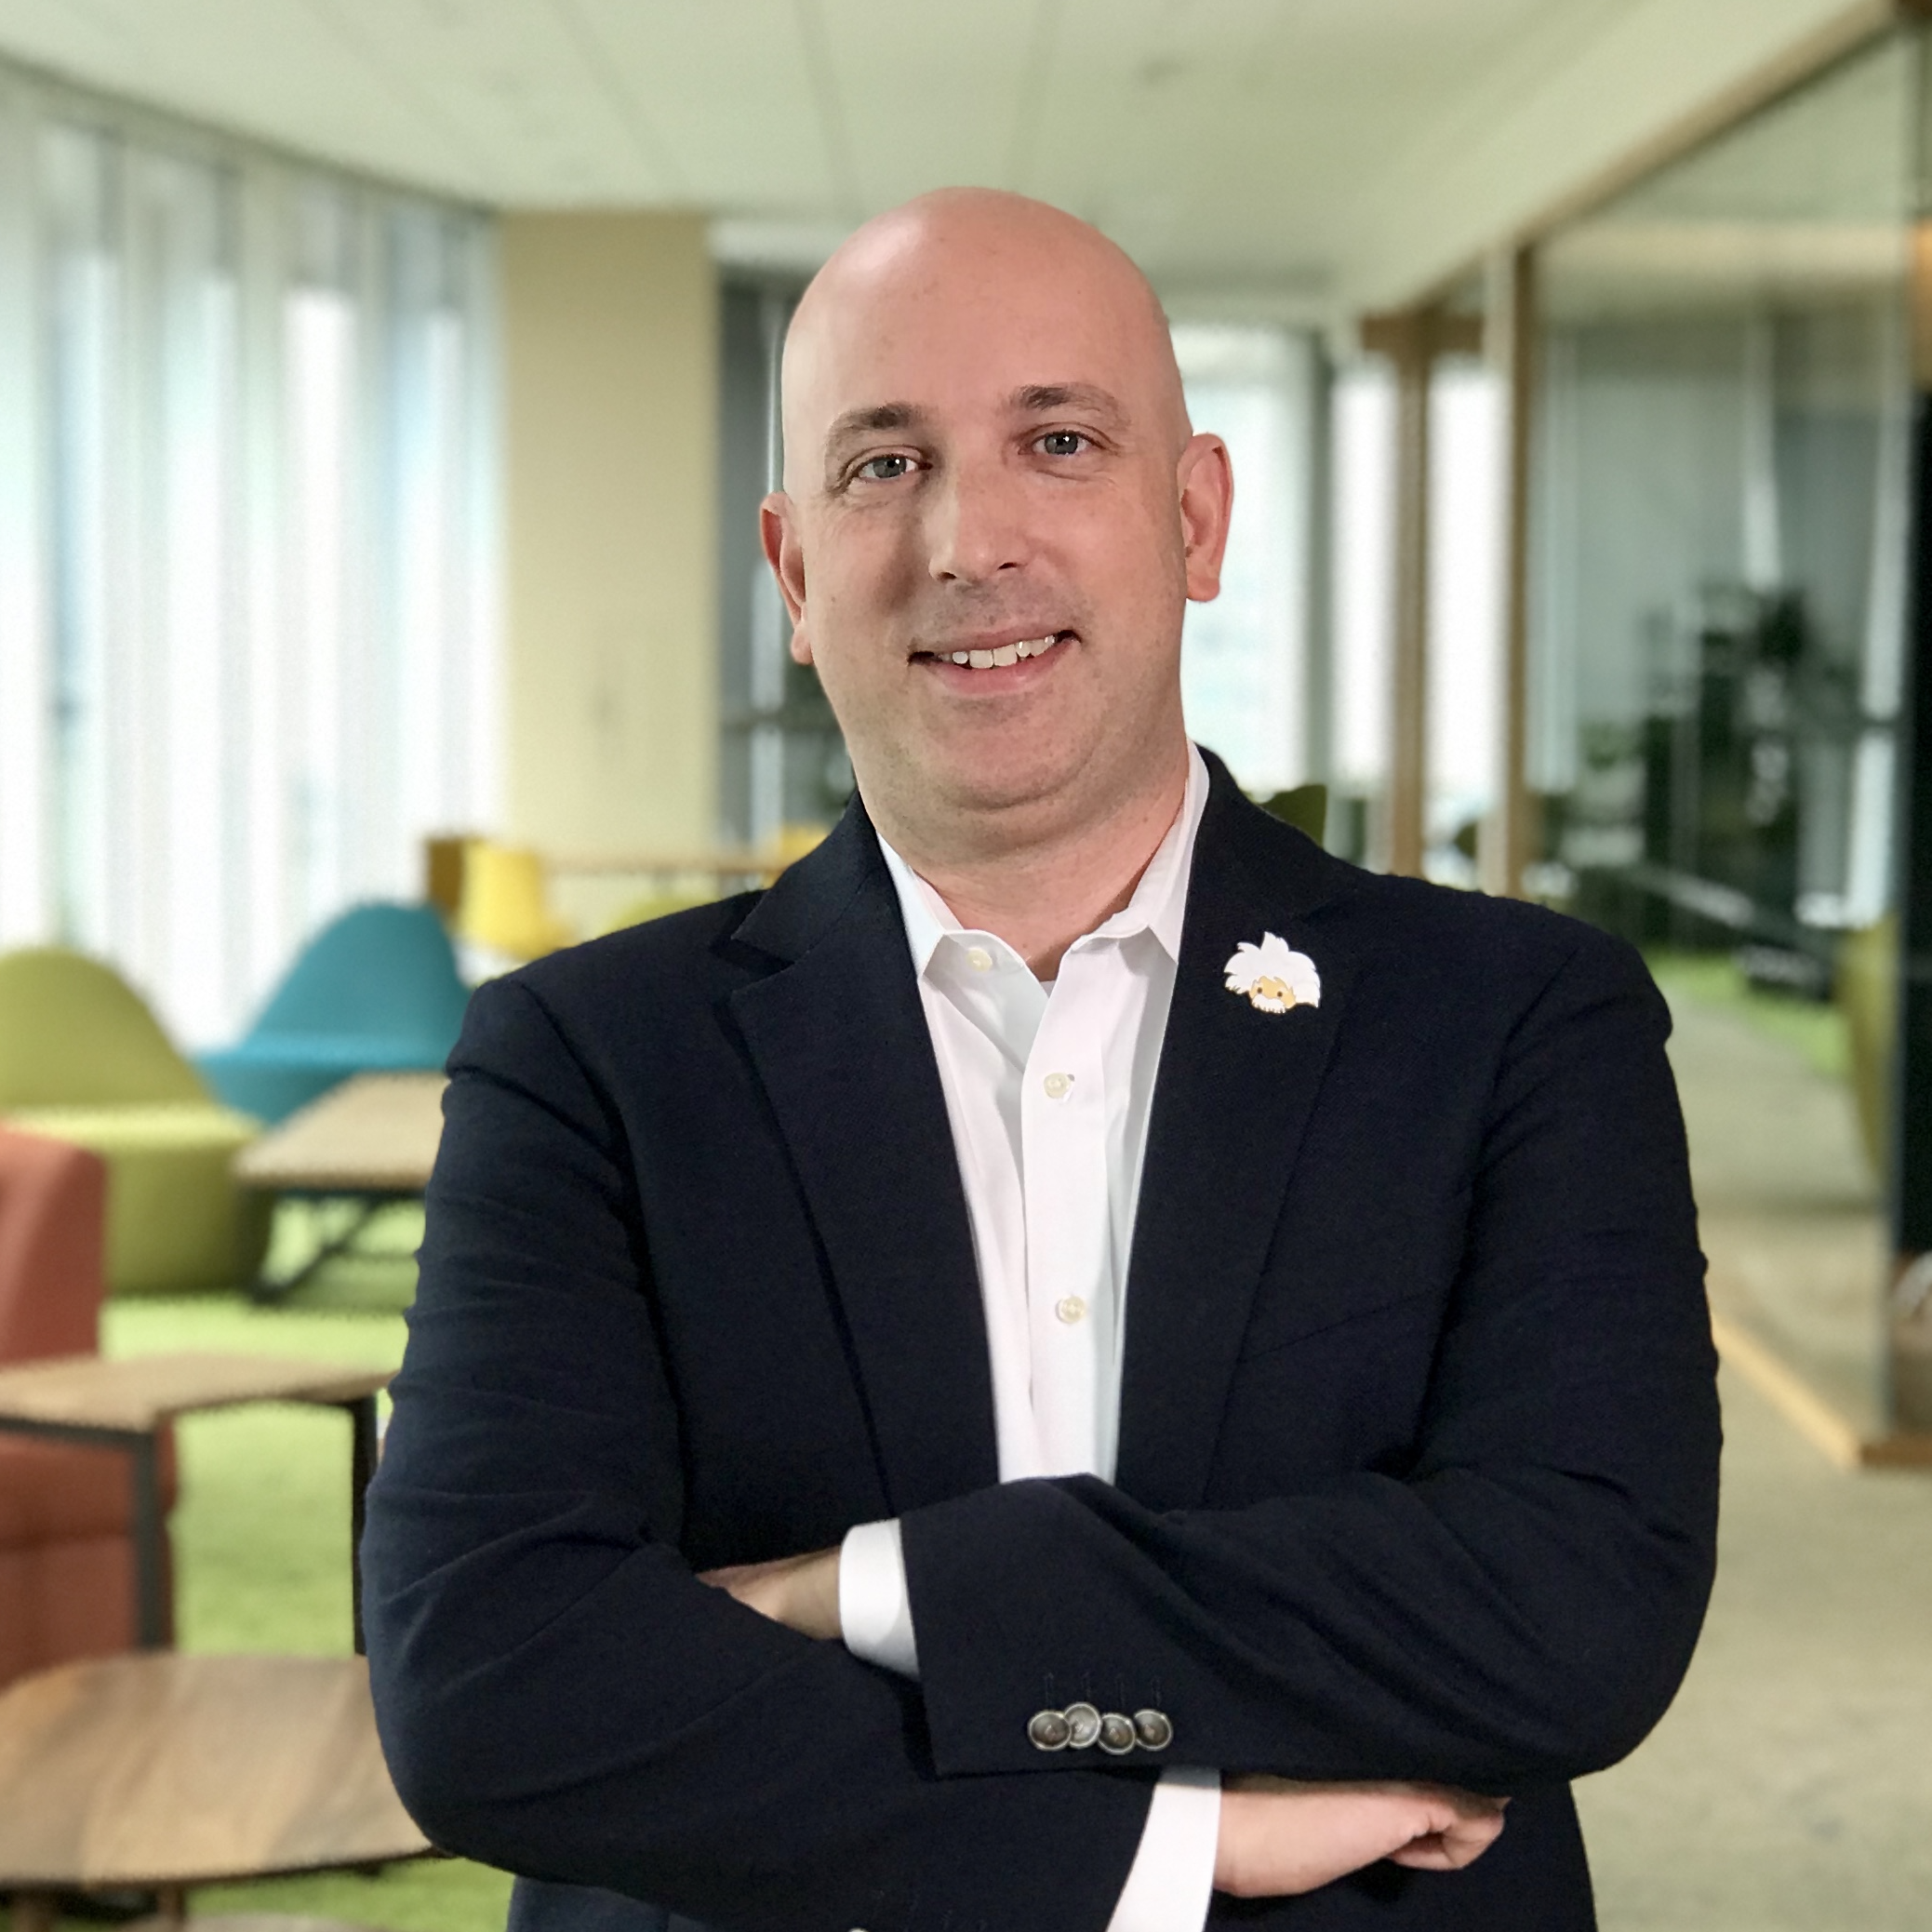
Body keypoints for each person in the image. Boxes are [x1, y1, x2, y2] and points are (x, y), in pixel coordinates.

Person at [363, 189, 1721, 1932]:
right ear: (794, 572)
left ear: (1195, 517)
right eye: (884, 465)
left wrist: (867, 1593)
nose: (969, 541)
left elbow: (1581, 1611)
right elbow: (488, 1690)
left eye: (1057, 442)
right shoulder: (586, 1061)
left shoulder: (1520, 1018)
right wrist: (1178, 1845)